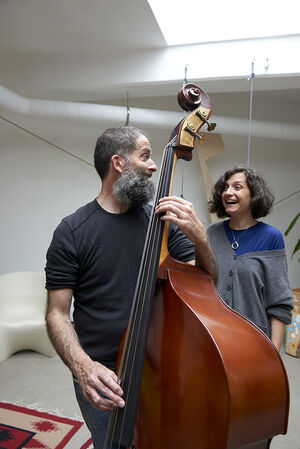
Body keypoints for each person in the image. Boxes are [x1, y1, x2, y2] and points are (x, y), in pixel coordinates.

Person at [45, 126, 218, 449]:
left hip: (162, 366)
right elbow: (56, 313)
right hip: (104, 374)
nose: (154, 167)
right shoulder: (71, 231)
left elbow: (207, 283)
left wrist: (202, 240)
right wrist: (83, 367)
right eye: (145, 156)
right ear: (118, 163)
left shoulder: (162, 224)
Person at [207, 166, 293, 352]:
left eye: (237, 187)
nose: (228, 192)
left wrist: (274, 352)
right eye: (225, 187)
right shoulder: (211, 233)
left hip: (254, 341)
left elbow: (279, 302)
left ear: (253, 194)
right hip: (213, 336)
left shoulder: (271, 237)